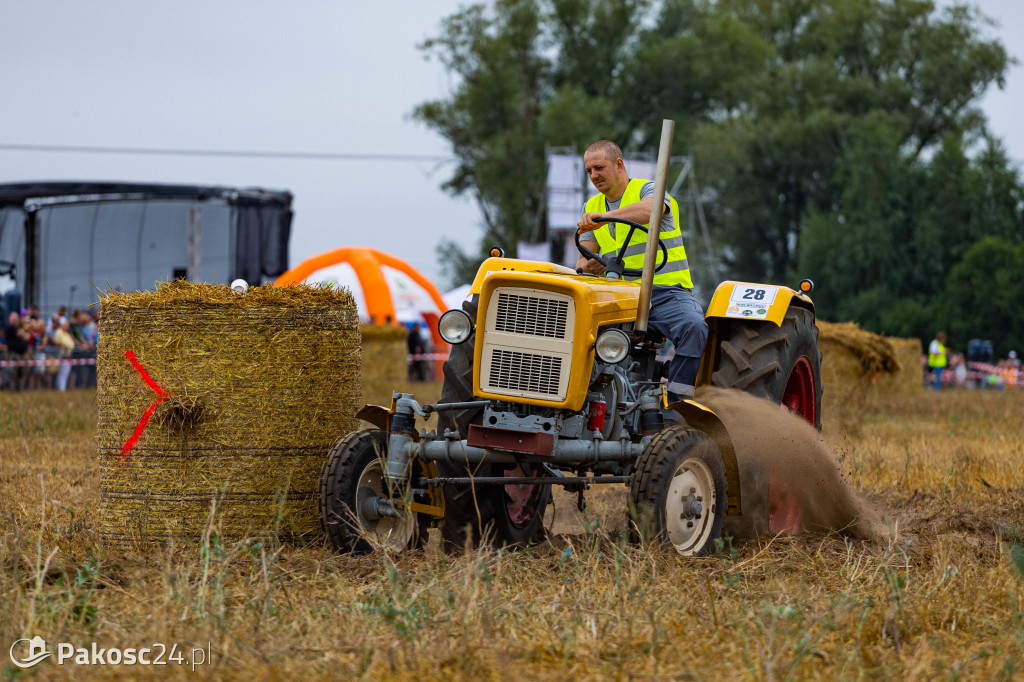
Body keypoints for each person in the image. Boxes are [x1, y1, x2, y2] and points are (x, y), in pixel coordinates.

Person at [576, 140, 708, 402]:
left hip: (666, 294)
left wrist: (602, 219)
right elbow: (581, 264)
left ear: (619, 165)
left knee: (693, 327)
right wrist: (593, 265)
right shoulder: (590, 207)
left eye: (599, 167)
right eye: (589, 170)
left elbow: (651, 210)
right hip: (618, 297)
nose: (594, 176)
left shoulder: (649, 190)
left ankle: (678, 406)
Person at [3, 311, 31, 391]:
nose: (15, 320)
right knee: (12, 371)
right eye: (13, 319)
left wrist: (24, 332)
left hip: (22, 353)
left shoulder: (19, 327)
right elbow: (21, 334)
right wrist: (23, 332)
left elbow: (27, 337)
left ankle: (19, 387)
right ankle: (12, 388)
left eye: (16, 319)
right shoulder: (10, 328)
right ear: (10, 320)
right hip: (13, 353)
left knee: (21, 371)